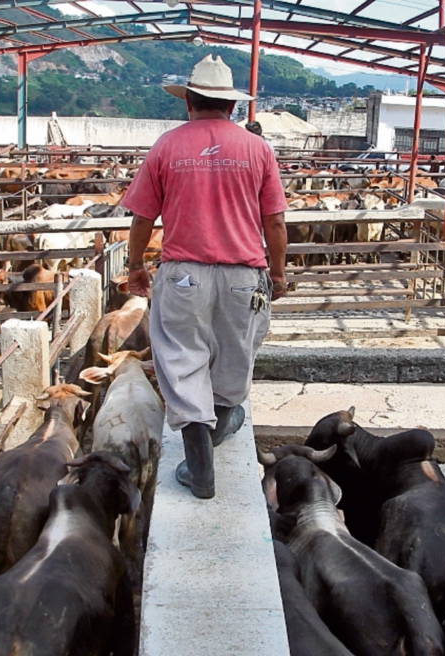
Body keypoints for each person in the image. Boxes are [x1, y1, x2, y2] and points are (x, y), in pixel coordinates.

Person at [121, 55, 288, 500]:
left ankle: (201, 473)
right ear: (231, 107)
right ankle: (223, 418)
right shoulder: (258, 149)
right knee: (235, 356)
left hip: (183, 276)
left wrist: (136, 265)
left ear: (188, 102)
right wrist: (278, 272)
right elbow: (275, 222)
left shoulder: (166, 146)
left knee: (181, 357)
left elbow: (141, 217)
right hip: (244, 277)